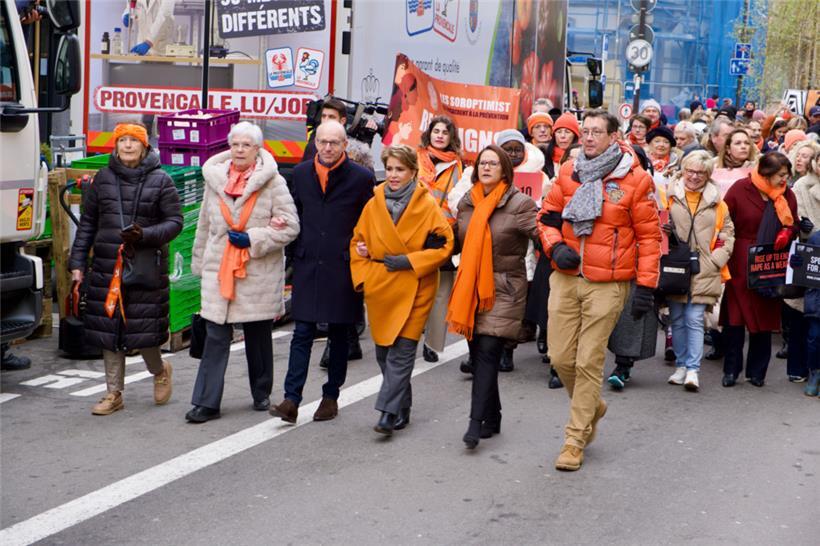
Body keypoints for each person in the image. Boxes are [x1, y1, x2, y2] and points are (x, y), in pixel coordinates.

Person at [537, 109, 661, 471]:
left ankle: (574, 441)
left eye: (595, 132)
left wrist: (646, 287)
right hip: (566, 276)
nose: (587, 137)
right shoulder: (568, 172)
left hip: (608, 284)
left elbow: (651, 238)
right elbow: (546, 217)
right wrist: (554, 245)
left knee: (588, 360)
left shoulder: (635, 181)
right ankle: (594, 406)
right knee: (561, 359)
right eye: (584, 131)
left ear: (613, 136)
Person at [186, 122, 299, 423]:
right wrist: (199, 263)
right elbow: (205, 227)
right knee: (215, 335)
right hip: (218, 269)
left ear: (257, 150)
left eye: (246, 145)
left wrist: (253, 238)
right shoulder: (215, 180)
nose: (238, 150)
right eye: (235, 144)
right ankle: (206, 402)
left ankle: (261, 391)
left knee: (257, 334)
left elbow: (290, 225)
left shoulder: (273, 183)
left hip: (256, 271)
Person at [69, 122, 182, 415]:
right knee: (110, 331)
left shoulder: (161, 181)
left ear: (145, 146)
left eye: (134, 140)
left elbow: (174, 223)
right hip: (107, 267)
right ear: (115, 146)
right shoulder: (102, 180)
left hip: (144, 268)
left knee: (143, 333)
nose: (128, 145)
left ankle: (159, 370)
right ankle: (113, 393)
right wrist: (78, 264)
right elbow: (88, 226)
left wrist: (144, 235)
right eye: (123, 141)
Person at [269, 121, 375, 423]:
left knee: (339, 334)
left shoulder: (361, 178)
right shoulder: (301, 174)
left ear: (344, 146)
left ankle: (331, 396)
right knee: (301, 332)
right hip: (307, 263)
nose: (327, 148)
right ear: (315, 144)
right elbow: (294, 213)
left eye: (334, 143)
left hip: (343, 265)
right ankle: (291, 399)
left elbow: (369, 220)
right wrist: (291, 248)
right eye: (323, 142)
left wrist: (364, 251)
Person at [350, 145, 454, 435]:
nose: (394, 175)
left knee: (402, 351)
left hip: (415, 286)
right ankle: (402, 406)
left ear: (412, 172)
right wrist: (365, 276)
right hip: (382, 286)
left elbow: (444, 245)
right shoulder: (374, 203)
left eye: (401, 169)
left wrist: (409, 260)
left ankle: (386, 412)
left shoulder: (427, 204)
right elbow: (357, 242)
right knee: (384, 353)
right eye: (391, 169)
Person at [448, 145, 538, 449]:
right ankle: (493, 415)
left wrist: (562, 250)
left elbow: (542, 235)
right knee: (478, 354)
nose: (486, 168)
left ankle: (474, 423)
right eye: (482, 163)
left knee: (486, 352)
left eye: (493, 164)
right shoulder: (467, 203)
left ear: (505, 171)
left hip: (504, 289)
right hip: (471, 287)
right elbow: (457, 242)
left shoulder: (521, 204)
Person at [720, 152, 799, 387]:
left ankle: (757, 372)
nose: (784, 179)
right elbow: (724, 219)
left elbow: (792, 222)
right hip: (740, 261)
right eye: (780, 175)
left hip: (769, 263)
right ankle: (731, 371)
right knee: (735, 319)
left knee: (764, 320)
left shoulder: (788, 195)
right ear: (765, 173)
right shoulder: (740, 188)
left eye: (786, 175)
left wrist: (788, 232)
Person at [664, 151, 735, 391]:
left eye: (700, 173)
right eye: (690, 171)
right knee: (677, 319)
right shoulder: (669, 196)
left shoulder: (718, 202)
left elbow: (728, 234)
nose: (694, 177)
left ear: (708, 175)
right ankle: (681, 365)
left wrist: (717, 259)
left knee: (694, 319)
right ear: (683, 170)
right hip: (675, 266)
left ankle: (693, 369)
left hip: (705, 267)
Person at [415, 116, 463, 363]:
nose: (440, 135)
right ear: (429, 134)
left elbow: (458, 199)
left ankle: (432, 344)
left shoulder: (458, 165)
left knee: (441, 292)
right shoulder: (415, 158)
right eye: (436, 131)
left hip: (443, 233)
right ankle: (410, 333)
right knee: (413, 287)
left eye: (445, 132)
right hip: (414, 232)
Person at [784, 148, 819, 384]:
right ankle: (798, 367)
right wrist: (804, 230)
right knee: (800, 312)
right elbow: (793, 220)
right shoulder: (801, 187)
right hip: (809, 254)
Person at [300, 97, 348, 164]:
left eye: (331, 117)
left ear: (342, 121)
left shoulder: (353, 149)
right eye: (323, 116)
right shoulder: (312, 146)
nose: (326, 120)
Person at [713, 128, 759, 196]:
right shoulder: (714, 166)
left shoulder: (757, 167)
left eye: (747, 143)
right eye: (738, 143)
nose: (743, 146)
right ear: (728, 149)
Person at [541, 112, 580, 180]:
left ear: (575, 136)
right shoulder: (543, 157)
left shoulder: (582, 158)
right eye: (559, 132)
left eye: (567, 132)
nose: (562, 136)